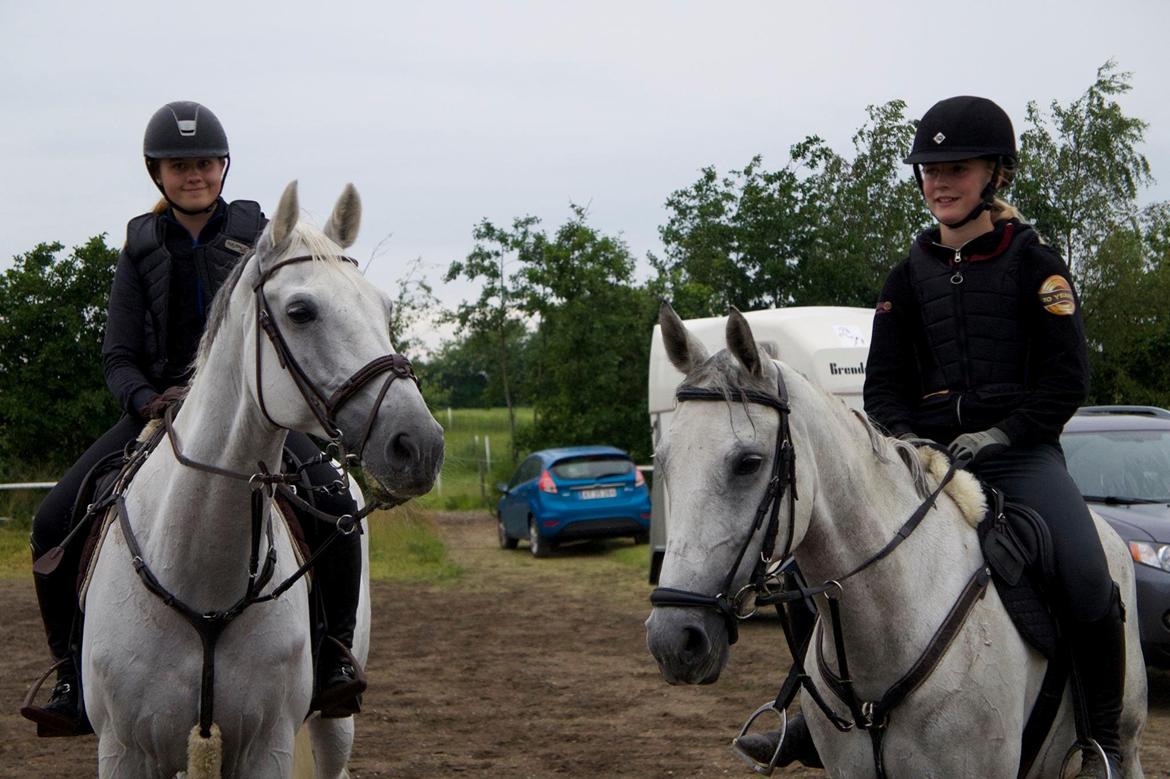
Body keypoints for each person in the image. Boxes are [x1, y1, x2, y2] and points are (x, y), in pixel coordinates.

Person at [737, 96, 1125, 778]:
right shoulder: (906, 277)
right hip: (924, 462)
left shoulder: (1038, 265)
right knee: (805, 566)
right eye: (929, 170)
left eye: (957, 169)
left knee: (1088, 573)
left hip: (1021, 457)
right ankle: (813, 713)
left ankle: (1102, 739)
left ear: (996, 174)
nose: (939, 183)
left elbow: (1066, 381)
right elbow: (883, 389)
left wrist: (1000, 433)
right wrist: (910, 443)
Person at [22, 101, 365, 737]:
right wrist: (144, 400)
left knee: (338, 504)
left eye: (204, 163)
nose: (194, 175)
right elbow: (118, 354)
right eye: (179, 166)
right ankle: (71, 676)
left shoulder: (260, 234)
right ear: (157, 173)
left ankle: (333, 656)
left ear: (223, 167)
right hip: (158, 413)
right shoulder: (140, 245)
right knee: (52, 522)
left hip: (251, 414)